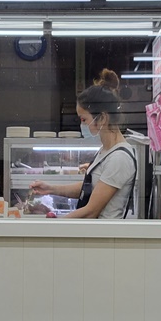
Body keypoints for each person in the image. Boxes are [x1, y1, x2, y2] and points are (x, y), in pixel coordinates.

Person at [30, 69, 137, 219]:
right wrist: (51, 188)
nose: (82, 125)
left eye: (84, 119)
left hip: (103, 238)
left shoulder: (119, 158)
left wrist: (55, 226)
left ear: (102, 118)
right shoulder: (105, 151)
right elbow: (91, 188)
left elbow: (91, 211)